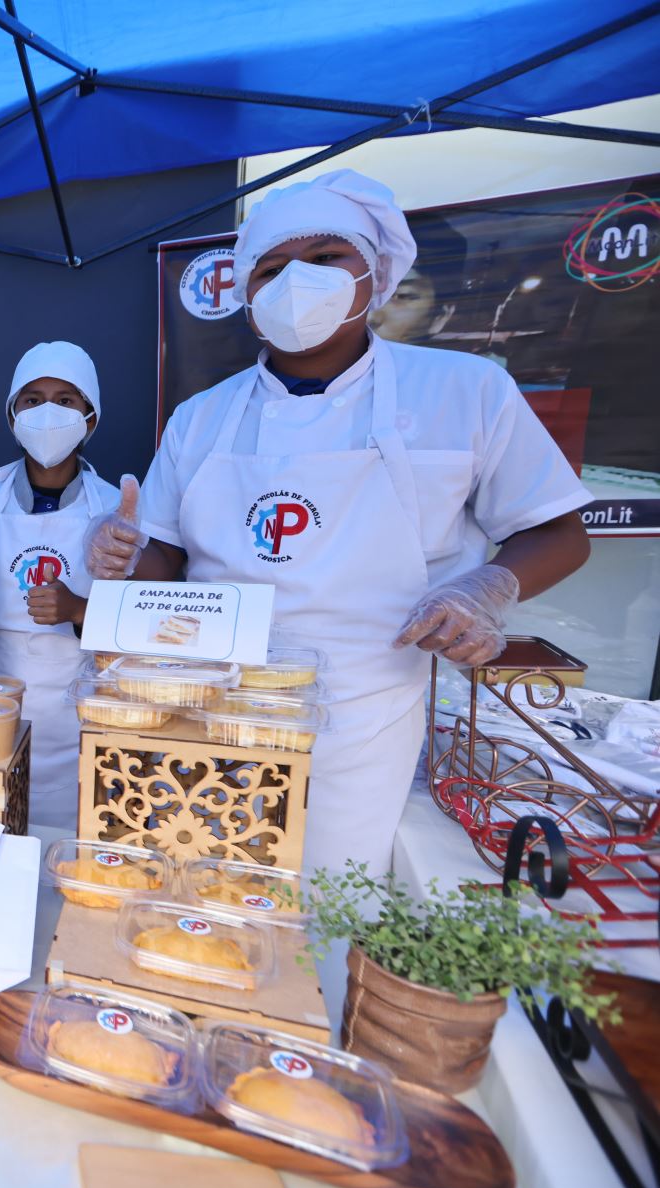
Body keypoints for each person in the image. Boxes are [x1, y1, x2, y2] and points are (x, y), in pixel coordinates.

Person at [87, 170, 591, 877]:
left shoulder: (464, 391)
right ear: (247, 296)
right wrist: (120, 562)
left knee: (326, 904)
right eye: (270, 268)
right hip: (206, 711)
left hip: (363, 713)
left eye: (326, 258)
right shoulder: (202, 416)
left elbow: (559, 531)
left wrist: (485, 589)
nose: (298, 280)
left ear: (375, 273)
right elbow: (165, 559)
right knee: (192, 890)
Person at [0, 342, 120, 829]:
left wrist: (78, 609)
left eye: (66, 400)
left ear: (90, 419)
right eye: (32, 400)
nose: (48, 411)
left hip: (79, 723)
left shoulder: (116, 509)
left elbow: (145, 630)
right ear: (13, 415)